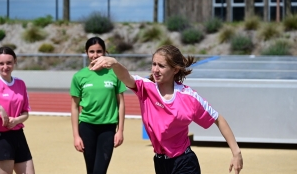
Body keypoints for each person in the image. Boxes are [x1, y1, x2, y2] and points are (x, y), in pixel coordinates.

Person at [89, 44, 243, 174]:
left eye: (161, 66)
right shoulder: (146, 88)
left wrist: (236, 152)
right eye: (154, 64)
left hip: (184, 162)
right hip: (160, 162)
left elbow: (218, 119)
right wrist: (115, 64)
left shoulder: (189, 97)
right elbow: (126, 77)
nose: (155, 69)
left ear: (175, 69)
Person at [70, 36, 127, 174]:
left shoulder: (114, 73)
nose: (95, 55)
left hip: (107, 128)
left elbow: (121, 103)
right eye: (91, 51)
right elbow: (74, 107)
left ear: (105, 52)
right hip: (86, 127)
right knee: (91, 170)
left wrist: (120, 131)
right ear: (86, 52)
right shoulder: (79, 76)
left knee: (99, 171)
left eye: (99, 51)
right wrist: (76, 136)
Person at [0, 46, 35, 174]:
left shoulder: (20, 83)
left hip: (18, 136)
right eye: (1, 63)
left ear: (15, 62)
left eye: (9, 63)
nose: (5, 67)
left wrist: (17, 120)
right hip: (1, 138)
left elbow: (25, 112)